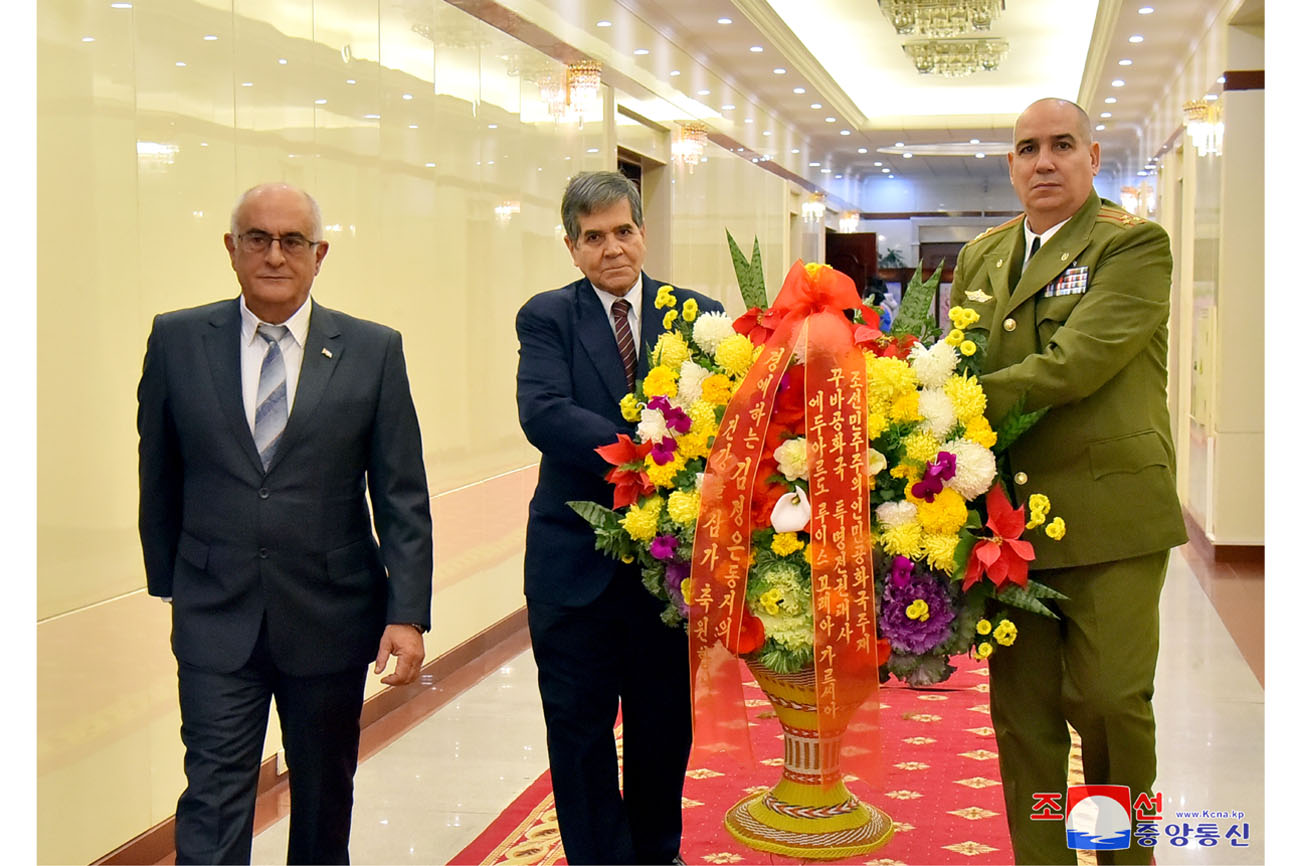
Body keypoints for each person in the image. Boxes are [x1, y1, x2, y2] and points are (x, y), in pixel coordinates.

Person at [137, 183, 433, 865]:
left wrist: (407, 612)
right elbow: (160, 470)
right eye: (258, 239)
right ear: (231, 249)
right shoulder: (178, 339)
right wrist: (172, 581)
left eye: (292, 241)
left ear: (319, 253)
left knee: (326, 795)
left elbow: (400, 493)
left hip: (331, 613)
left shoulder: (371, 350)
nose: (275, 255)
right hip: (216, 613)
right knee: (212, 794)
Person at [950, 99, 1187, 865]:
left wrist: (944, 399)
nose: (1042, 161)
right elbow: (955, 355)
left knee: (1111, 704)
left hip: (1110, 513)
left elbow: (1076, 364)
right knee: (1024, 721)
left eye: (1060, 146)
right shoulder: (981, 255)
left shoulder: (1133, 245)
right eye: (1026, 148)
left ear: (1091, 155)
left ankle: (1124, 857)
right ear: (1011, 164)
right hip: (1008, 525)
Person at [515, 171, 725, 864]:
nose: (612, 249)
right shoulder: (547, 317)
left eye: (623, 232)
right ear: (572, 248)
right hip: (572, 566)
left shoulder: (697, 315)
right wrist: (645, 452)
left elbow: (725, 416)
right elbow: (544, 413)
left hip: (667, 570)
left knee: (664, 724)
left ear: (643, 232)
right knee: (578, 730)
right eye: (594, 237)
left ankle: (657, 851)